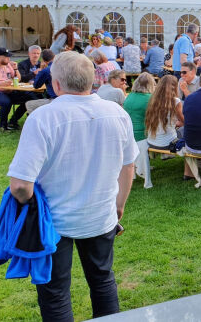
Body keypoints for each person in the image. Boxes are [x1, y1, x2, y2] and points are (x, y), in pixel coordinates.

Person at [7, 51, 137, 321]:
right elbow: (128, 166)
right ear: (93, 80)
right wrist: (119, 204)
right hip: (97, 214)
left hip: (56, 219)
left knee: (56, 292)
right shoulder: (117, 113)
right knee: (102, 280)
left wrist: (29, 206)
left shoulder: (44, 117)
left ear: (55, 84)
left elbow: (20, 185)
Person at [0, 48, 31, 131]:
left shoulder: (7, 65)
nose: (9, 59)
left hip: (8, 91)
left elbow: (17, 79)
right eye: (7, 57)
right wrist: (2, 83)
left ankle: (13, 121)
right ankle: (3, 126)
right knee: (6, 101)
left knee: (29, 97)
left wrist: (15, 69)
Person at [146, 75, 184, 151]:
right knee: (184, 130)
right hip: (168, 144)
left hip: (151, 142)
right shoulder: (176, 101)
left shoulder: (153, 99)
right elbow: (184, 122)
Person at [123, 72, 155, 142]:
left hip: (127, 133)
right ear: (151, 85)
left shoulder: (130, 96)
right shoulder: (151, 98)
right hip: (143, 136)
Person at [26, 49, 57, 114]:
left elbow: (36, 85)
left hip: (55, 99)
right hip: (69, 98)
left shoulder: (46, 70)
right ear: (54, 57)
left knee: (29, 104)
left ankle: (39, 120)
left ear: (43, 60)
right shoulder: (63, 67)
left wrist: (41, 70)